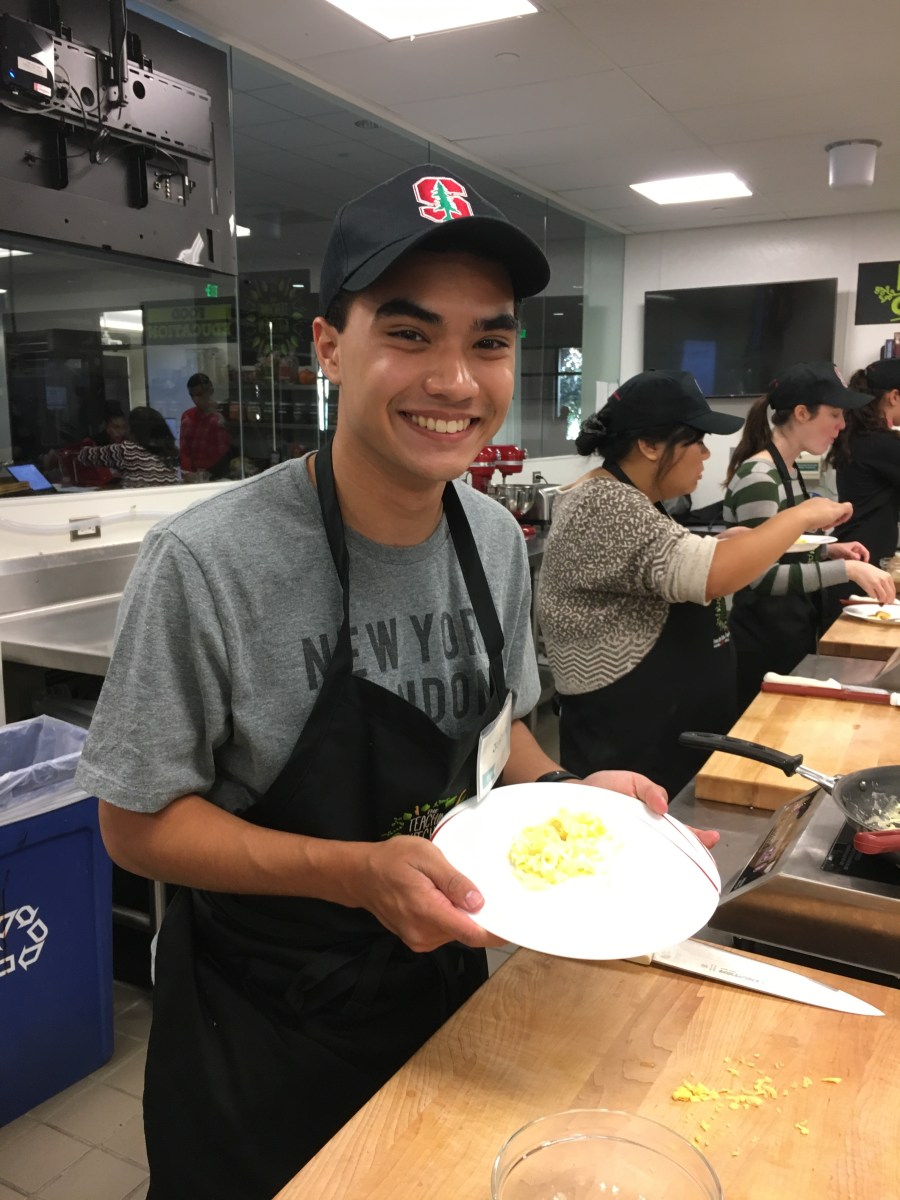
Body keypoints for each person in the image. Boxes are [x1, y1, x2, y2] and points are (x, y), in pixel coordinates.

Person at [74, 165, 699, 1200]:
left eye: (488, 342)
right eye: (409, 333)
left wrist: (571, 802)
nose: (455, 380)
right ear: (330, 346)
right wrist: (356, 873)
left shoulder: (492, 539)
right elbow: (134, 826)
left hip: (439, 984)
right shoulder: (209, 561)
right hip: (259, 1022)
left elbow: (501, 731)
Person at [537, 369, 856, 798]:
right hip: (631, 746)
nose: (706, 454)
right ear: (649, 445)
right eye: (696, 440)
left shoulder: (634, 499)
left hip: (671, 734)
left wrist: (719, 543)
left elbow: (654, 565)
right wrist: (802, 515)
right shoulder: (604, 503)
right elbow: (712, 576)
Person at [724, 362, 896, 711]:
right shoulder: (760, 476)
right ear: (802, 413)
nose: (842, 425)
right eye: (834, 414)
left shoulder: (789, 471)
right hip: (763, 641)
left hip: (791, 631)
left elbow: (782, 548)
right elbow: (760, 575)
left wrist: (830, 551)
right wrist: (847, 570)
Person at [826, 358, 900, 567]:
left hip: (856, 551)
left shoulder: (860, 437)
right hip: (862, 557)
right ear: (894, 397)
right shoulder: (882, 445)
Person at [76, 406, 178, 488]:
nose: (122, 431)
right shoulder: (171, 451)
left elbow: (83, 455)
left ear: (134, 430)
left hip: (136, 503)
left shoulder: (128, 450)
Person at [179, 372, 231, 480]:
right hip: (193, 476)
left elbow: (224, 453)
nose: (195, 400)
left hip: (218, 476)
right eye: (192, 395)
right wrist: (187, 472)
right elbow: (184, 450)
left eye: (199, 394)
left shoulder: (222, 417)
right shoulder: (187, 417)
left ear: (210, 391)